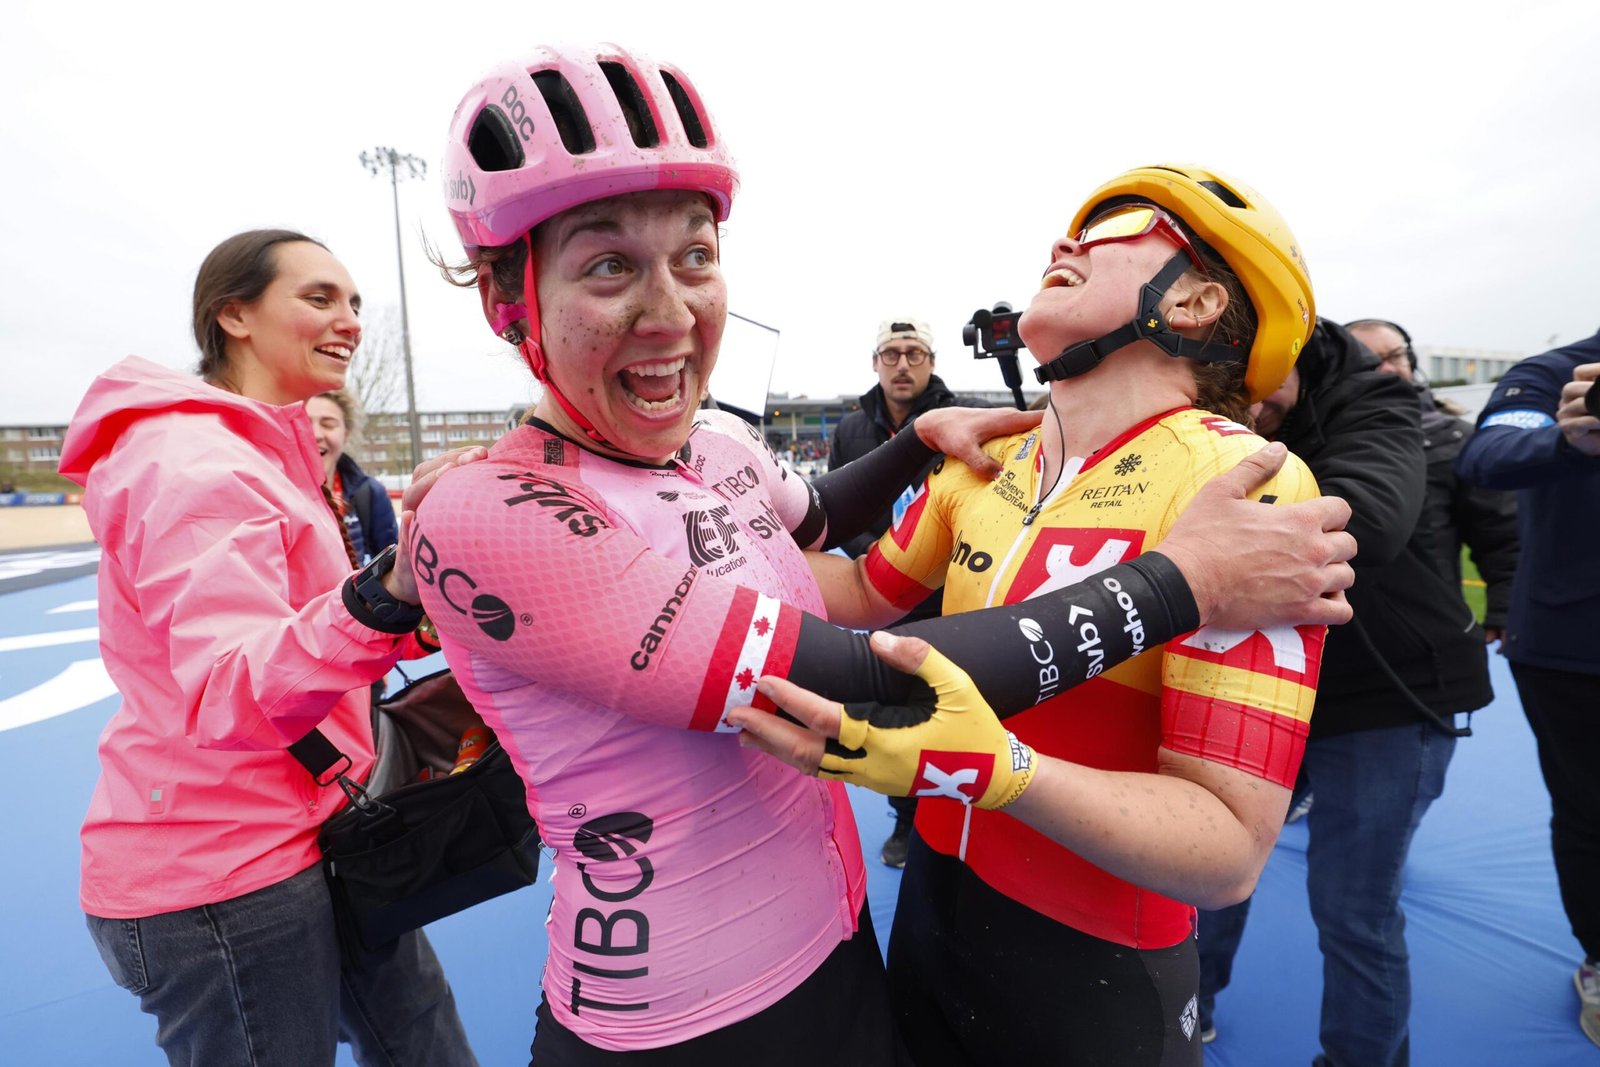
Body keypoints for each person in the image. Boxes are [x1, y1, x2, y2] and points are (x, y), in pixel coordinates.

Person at [419, 49, 1356, 1065]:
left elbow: (825, 548)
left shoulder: (1236, 488)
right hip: (706, 1007)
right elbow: (841, 649)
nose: (673, 309)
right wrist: (1179, 584)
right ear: (508, 299)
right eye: (607, 265)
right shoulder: (493, 507)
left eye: (695, 257)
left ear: (1191, 304)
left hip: (916, 955)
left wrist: (916, 437)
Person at [736, 164, 1332, 1066]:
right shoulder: (985, 461)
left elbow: (1228, 848)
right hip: (934, 908)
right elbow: (851, 596)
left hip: (1098, 969)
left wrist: (1008, 772)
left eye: (1117, 226)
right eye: (1069, 230)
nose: (1066, 243)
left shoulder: (1243, 482)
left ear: (1198, 301)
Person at [58, 229, 481, 1067]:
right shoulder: (193, 461)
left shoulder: (259, 454)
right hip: (222, 872)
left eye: (355, 302)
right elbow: (232, 688)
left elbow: (301, 631)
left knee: (430, 1047)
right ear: (234, 315)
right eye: (319, 297)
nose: (351, 320)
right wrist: (381, 594)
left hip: (316, 828)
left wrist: (415, 605)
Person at [1197, 317, 1508, 1067]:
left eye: (1256, 383)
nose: (1245, 404)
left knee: (1353, 907)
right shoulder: (1218, 416)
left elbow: (1366, 518)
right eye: (1224, 390)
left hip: (1387, 694)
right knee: (1207, 871)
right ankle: (1184, 1009)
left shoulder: (1381, 405)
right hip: (1272, 680)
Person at [1456, 331, 1600, 1047]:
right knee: (1588, 810)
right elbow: (1490, 455)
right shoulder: (1551, 373)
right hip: (1573, 651)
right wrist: (1569, 439)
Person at [830, 314, 990, 867]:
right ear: (875, 363)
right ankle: (906, 820)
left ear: (932, 362)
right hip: (879, 594)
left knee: (953, 703)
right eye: (892, 354)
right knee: (893, 709)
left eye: (914, 353)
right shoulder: (851, 430)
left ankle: (956, 816)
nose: (902, 364)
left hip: (949, 591)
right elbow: (836, 515)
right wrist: (878, 563)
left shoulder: (965, 418)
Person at [308, 388, 398, 563]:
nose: (316, 434)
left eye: (328, 424)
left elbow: (393, 570)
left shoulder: (370, 494)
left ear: (346, 434)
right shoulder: (272, 493)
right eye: (304, 423)